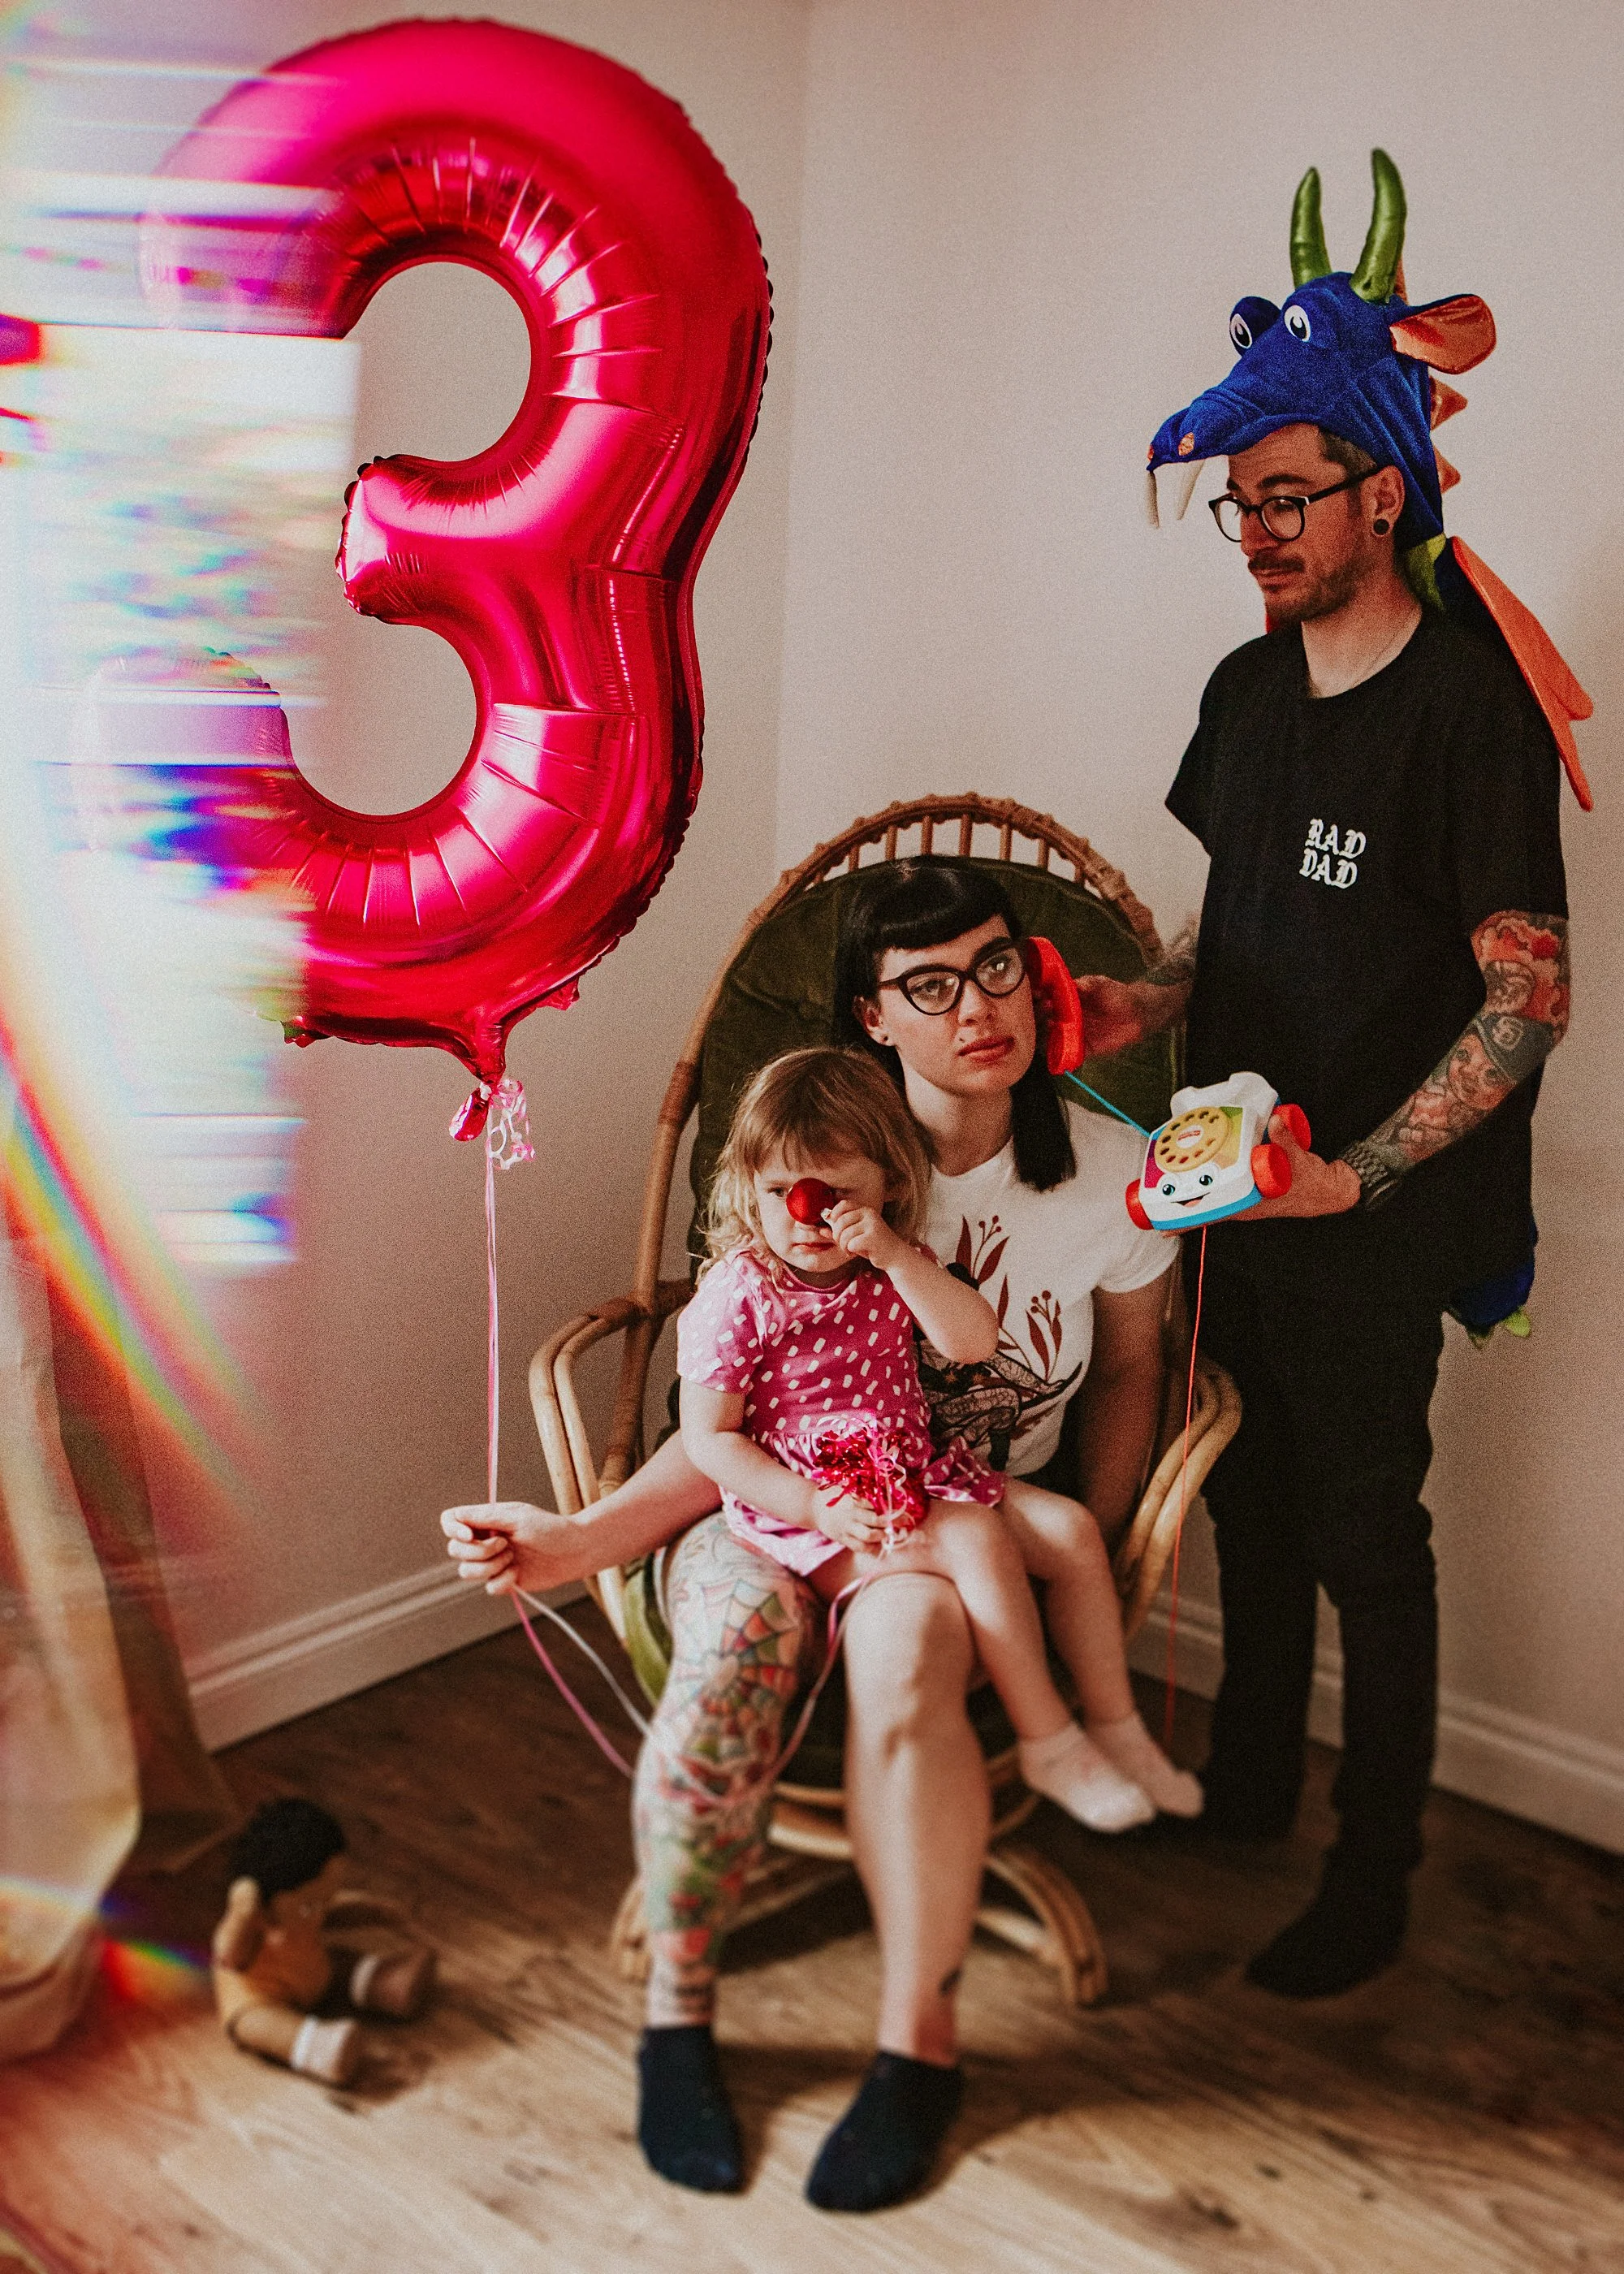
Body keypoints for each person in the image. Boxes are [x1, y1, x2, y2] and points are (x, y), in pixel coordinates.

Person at [1100, 156, 1578, 2000]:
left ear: (1384, 487)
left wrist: (1357, 1176)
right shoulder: (1237, 689)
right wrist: (1111, 1009)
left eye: (1287, 495)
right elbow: (1213, 943)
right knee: (1247, 1498)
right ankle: (1238, 1794)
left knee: (1365, 1531)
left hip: (1374, 1205)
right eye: (1235, 504)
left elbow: (1526, 1000)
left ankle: (1365, 1868)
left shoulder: (1464, 710)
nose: (1257, 531)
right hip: (1228, 1184)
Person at [678, 1043, 1165, 1834]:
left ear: (889, 1186)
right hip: (819, 1505)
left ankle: (1117, 1729)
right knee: (974, 1539)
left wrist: (894, 1253)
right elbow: (709, 1439)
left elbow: (973, 1342)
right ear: (751, 1188)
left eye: (835, 1193)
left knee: (1073, 1531)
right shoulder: (738, 1292)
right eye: (781, 1190)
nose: (805, 1214)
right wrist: (815, 1503)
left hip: (917, 1471)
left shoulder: (888, 1268)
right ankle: (1048, 1736)